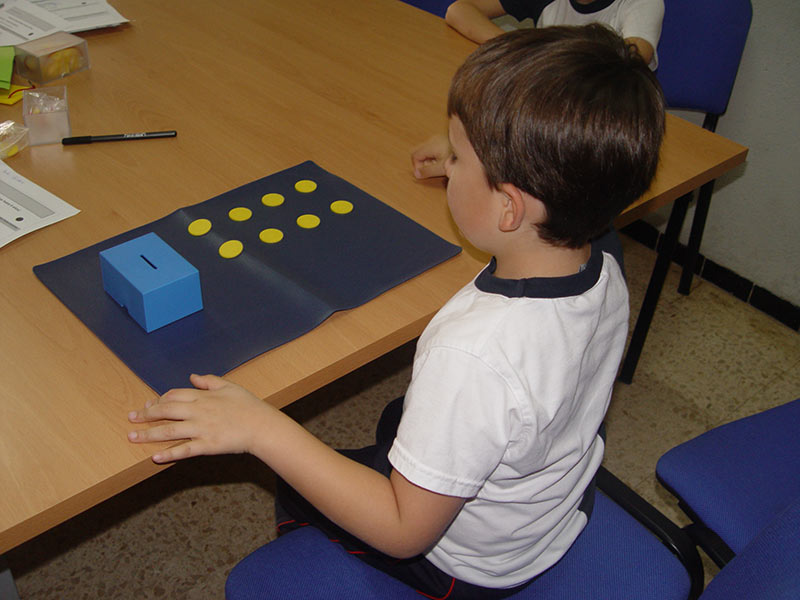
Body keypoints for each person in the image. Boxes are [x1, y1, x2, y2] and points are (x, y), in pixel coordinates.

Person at [128, 24, 664, 599]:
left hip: (463, 563)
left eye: (458, 157)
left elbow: (404, 531)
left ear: (509, 206)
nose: (449, 164)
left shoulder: (475, 354)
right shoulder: (600, 252)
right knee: (393, 423)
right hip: (545, 507)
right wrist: (477, 165)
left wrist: (262, 429)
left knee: (295, 482)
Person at [445, 0, 663, 67]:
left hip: (611, 113)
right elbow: (459, 10)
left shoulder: (642, 3)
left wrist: (545, 56)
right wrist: (517, 47)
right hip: (551, 99)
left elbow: (631, 62)